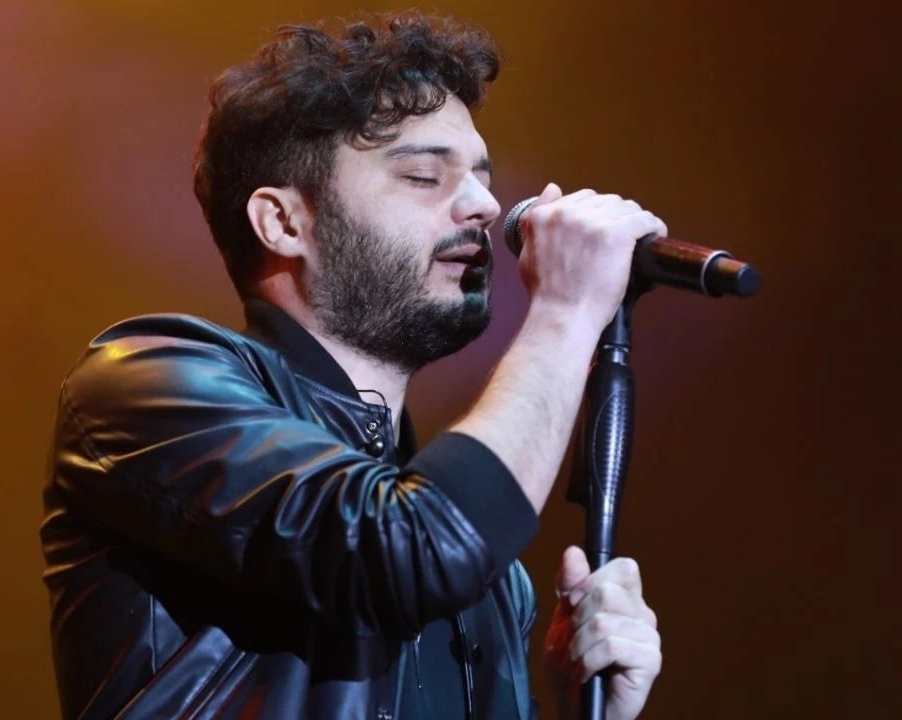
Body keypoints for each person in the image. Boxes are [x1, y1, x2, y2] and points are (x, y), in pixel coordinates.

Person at [41, 11, 664, 720]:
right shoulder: (143, 384)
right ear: (283, 222)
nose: (486, 206)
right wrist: (564, 311)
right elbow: (405, 548)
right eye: (424, 175)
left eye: (481, 178)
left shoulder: (491, 582)